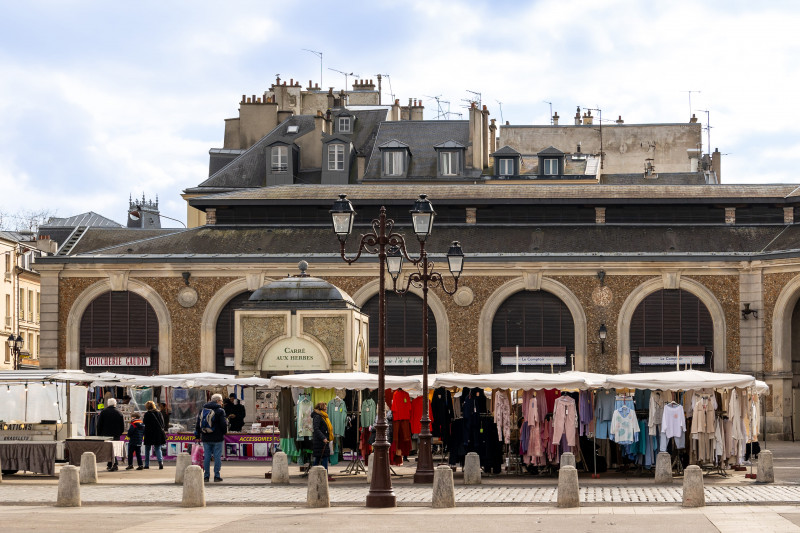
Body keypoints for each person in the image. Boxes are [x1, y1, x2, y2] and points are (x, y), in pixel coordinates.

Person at [194, 393, 227, 482]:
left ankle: (206, 476)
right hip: (217, 437)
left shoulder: (203, 410)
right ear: (217, 401)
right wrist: (224, 432)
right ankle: (216, 475)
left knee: (207, 457)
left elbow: (198, 423)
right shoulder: (220, 411)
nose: (222, 403)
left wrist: (197, 435)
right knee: (217, 457)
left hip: (206, 437)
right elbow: (223, 424)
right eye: (221, 401)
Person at [96, 398, 125, 471]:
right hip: (116, 434)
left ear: (108, 404)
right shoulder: (119, 412)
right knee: (114, 450)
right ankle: (111, 464)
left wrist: (99, 434)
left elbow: (99, 424)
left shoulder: (103, 412)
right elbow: (122, 426)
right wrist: (120, 433)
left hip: (105, 434)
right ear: (115, 404)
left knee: (108, 450)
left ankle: (113, 464)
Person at [311, 402, 333, 479]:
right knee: (323, 457)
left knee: (319, 458)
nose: (326, 409)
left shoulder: (323, 416)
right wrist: (323, 437)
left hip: (323, 440)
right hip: (320, 441)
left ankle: (314, 474)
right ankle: (324, 475)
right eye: (325, 408)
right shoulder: (318, 417)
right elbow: (316, 429)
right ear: (321, 409)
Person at [143, 400, 166, 469]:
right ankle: (160, 462)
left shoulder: (147, 414)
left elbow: (144, 423)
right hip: (158, 433)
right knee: (158, 448)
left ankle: (147, 464)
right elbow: (163, 424)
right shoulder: (159, 413)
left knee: (147, 449)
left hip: (149, 433)